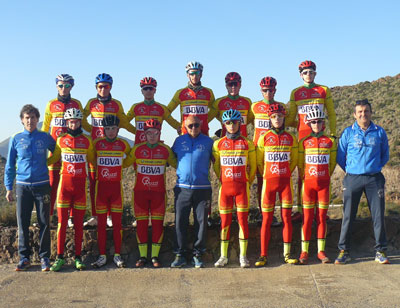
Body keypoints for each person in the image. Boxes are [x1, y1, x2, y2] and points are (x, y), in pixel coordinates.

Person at [335, 99, 390, 264]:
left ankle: (380, 251)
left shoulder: (379, 132)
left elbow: (385, 155)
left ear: (371, 113)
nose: (363, 114)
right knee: (348, 216)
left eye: (366, 111)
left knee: (378, 216)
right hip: (353, 178)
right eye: (359, 111)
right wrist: (353, 170)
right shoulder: (348, 133)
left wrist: (373, 167)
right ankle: (344, 251)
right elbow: (340, 157)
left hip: (374, 179)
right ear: (354, 114)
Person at [5, 104, 55, 271]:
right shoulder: (16, 138)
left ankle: (44, 258)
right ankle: (24, 258)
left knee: (44, 223)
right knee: (23, 223)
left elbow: (60, 151)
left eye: (33, 117)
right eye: (27, 117)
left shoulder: (45, 137)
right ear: (22, 120)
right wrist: (8, 187)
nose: (30, 120)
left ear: (37, 119)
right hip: (22, 187)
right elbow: (10, 165)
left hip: (42, 185)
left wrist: (48, 164)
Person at [82, 73, 136, 228]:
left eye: (106, 86)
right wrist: (91, 130)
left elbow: (124, 122)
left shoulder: (116, 104)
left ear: (110, 87)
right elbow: (82, 119)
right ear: (96, 88)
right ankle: (95, 216)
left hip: (111, 148)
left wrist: (140, 133)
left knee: (113, 180)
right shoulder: (91, 103)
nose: (103, 89)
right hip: (96, 147)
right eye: (100, 86)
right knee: (94, 183)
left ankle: (110, 216)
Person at [286, 60, 337, 220]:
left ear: (315, 73)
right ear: (301, 75)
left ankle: (321, 210)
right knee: (303, 174)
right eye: (305, 72)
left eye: (311, 72)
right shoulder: (295, 92)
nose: (308, 75)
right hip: (303, 138)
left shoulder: (323, 90)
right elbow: (290, 118)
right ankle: (301, 210)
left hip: (320, 136)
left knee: (321, 173)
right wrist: (300, 124)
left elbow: (331, 113)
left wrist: (333, 133)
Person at [47, 108, 95, 271]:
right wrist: (39, 162)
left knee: (79, 225)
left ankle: (78, 257)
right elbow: (53, 159)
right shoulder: (60, 139)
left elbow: (93, 161)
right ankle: (59, 257)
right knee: (62, 224)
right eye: (70, 121)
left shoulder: (87, 140)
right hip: (64, 188)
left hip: (80, 188)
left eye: (76, 121)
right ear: (67, 123)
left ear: (80, 122)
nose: (73, 124)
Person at [125, 119, 176, 268]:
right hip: (140, 194)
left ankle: (154, 256)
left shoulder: (165, 149)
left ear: (159, 133)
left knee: (157, 224)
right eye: (149, 133)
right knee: (141, 224)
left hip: (158, 194)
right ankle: (142, 256)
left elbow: (178, 164)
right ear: (144, 134)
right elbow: (124, 163)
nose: (152, 136)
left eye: (155, 133)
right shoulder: (137, 149)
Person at [255, 103, 298, 267]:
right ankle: (263, 254)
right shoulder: (264, 138)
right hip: (269, 184)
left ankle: (287, 254)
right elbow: (259, 163)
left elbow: (293, 161)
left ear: (284, 118)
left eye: (280, 116)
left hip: (286, 183)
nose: (277, 119)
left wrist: (284, 172)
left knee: (287, 218)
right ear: (270, 119)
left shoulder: (290, 138)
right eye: (274, 117)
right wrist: (269, 174)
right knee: (266, 219)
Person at [213, 109, 256, 268]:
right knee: (225, 223)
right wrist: (224, 179)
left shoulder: (247, 143)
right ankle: (223, 255)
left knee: (243, 222)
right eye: (228, 122)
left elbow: (252, 167)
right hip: (225, 189)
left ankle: (243, 256)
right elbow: (217, 167)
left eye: (235, 122)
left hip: (242, 188)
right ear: (224, 124)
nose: (231, 125)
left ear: (240, 123)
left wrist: (247, 181)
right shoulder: (218, 144)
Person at [170, 115, 214, 268]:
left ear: (201, 125)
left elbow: (219, 160)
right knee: (180, 221)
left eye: (196, 125)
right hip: (182, 188)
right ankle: (180, 254)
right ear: (185, 126)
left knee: (201, 223)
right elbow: (171, 158)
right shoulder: (178, 141)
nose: (193, 128)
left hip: (202, 188)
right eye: (190, 126)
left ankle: (197, 253)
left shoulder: (209, 142)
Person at [42, 74, 87, 219]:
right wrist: (39, 146)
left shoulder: (77, 103)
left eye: (67, 85)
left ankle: (72, 218)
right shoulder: (51, 104)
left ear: (72, 87)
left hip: (71, 150)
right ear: (56, 86)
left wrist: (100, 134)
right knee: (52, 184)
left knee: (73, 183)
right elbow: (45, 126)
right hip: (54, 149)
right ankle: (47, 216)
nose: (63, 88)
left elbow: (84, 124)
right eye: (60, 85)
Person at [91, 115, 131, 269]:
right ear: (103, 130)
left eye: (113, 128)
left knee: (117, 224)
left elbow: (131, 157)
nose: (110, 132)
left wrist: (121, 166)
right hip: (101, 189)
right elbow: (90, 158)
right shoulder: (97, 144)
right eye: (107, 129)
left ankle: (117, 255)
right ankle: (102, 256)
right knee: (101, 225)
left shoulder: (123, 144)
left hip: (116, 189)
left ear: (118, 129)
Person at [298, 106, 337, 264]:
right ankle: (304, 251)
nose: (316, 124)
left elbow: (332, 163)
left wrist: (324, 176)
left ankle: (321, 251)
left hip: (324, 186)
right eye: (313, 122)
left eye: (319, 121)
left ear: (323, 123)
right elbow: (300, 164)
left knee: (321, 218)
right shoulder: (304, 142)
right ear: (309, 123)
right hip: (308, 186)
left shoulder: (330, 141)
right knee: (307, 219)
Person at [251, 77, 288, 217]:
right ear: (261, 91)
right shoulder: (254, 106)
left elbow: (288, 122)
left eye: (270, 90)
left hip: (275, 150)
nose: (268, 93)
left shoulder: (281, 106)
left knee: (276, 182)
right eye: (265, 90)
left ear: (275, 90)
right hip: (259, 150)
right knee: (260, 182)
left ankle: (274, 214)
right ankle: (262, 213)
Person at [127, 77, 180, 145]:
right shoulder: (135, 107)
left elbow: (174, 123)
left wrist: (188, 128)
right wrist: (135, 131)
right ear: (142, 91)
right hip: (139, 146)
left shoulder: (161, 108)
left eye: (151, 88)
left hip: (155, 147)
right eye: (145, 89)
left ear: (155, 90)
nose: (148, 91)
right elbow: (124, 122)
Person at [167, 61, 215, 136]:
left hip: (203, 133)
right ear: (187, 75)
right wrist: (177, 125)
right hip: (186, 133)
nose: (194, 76)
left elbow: (216, 110)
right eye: (192, 74)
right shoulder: (180, 92)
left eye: (197, 73)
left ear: (201, 74)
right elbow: (167, 111)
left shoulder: (208, 92)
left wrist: (205, 120)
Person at [208, 72, 253, 137]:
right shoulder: (219, 102)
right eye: (230, 84)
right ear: (226, 86)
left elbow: (250, 120)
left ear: (240, 85)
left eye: (236, 84)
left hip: (243, 142)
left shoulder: (247, 101)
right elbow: (206, 119)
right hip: (225, 141)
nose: (233, 87)